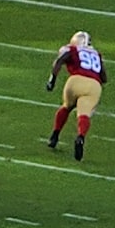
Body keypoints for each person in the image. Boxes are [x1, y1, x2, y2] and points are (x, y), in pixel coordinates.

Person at [46, 31, 107, 161]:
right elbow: (104, 77)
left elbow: (60, 61)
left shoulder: (72, 49)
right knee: (84, 115)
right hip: (94, 85)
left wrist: (52, 79)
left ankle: (55, 135)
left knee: (66, 107)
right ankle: (80, 137)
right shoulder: (96, 54)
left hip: (75, 81)